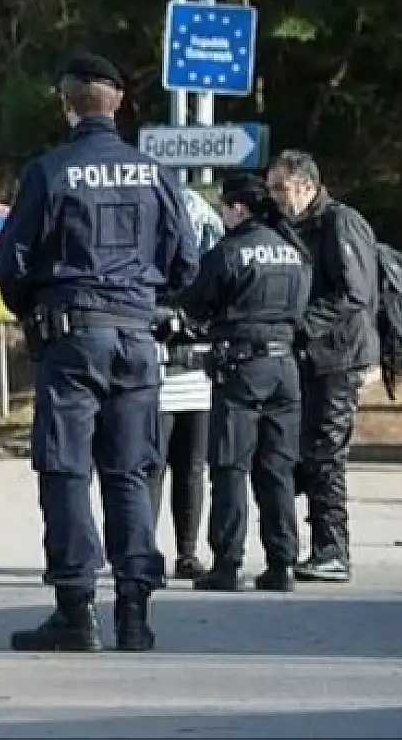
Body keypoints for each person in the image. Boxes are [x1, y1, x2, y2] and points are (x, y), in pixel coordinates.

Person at [0, 53, 198, 653]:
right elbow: (186, 261)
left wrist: (33, 309)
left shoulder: (50, 171)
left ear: (67, 104)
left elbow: (11, 260)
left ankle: (75, 611)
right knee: (131, 472)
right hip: (137, 338)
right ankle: (134, 614)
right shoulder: (157, 173)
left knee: (65, 471)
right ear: (119, 102)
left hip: (73, 339)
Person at [175, 174, 311, 593]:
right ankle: (282, 563)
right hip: (285, 369)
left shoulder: (231, 251)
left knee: (230, 467)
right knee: (277, 470)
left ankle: (227, 563)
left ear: (238, 209)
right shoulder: (293, 250)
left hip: (241, 369)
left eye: (225, 209)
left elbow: (196, 303)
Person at [266, 150, 378, 584]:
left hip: (339, 356)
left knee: (326, 454)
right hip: (311, 358)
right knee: (301, 452)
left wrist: (299, 327)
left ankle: (333, 549)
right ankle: (310, 545)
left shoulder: (339, 223)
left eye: (281, 188)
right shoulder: (291, 227)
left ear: (307, 187)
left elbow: (355, 293)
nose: (274, 197)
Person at [150, 187, 226, 584]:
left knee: (191, 470)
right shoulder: (148, 269)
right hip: (159, 380)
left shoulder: (215, 272)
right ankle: (144, 550)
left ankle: (187, 552)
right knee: (153, 468)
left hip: (197, 380)